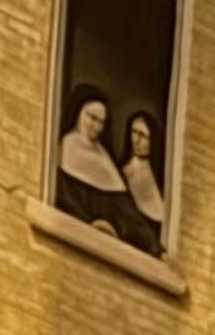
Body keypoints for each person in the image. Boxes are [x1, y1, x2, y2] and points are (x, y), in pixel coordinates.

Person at [54, 88, 131, 239]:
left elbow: (127, 214)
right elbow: (64, 198)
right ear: (78, 113)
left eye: (101, 122)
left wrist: (154, 247)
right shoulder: (65, 146)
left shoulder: (105, 159)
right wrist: (89, 222)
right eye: (92, 118)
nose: (97, 127)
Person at [117, 110, 167, 249]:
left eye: (143, 136)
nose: (136, 140)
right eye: (134, 132)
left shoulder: (160, 178)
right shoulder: (119, 171)